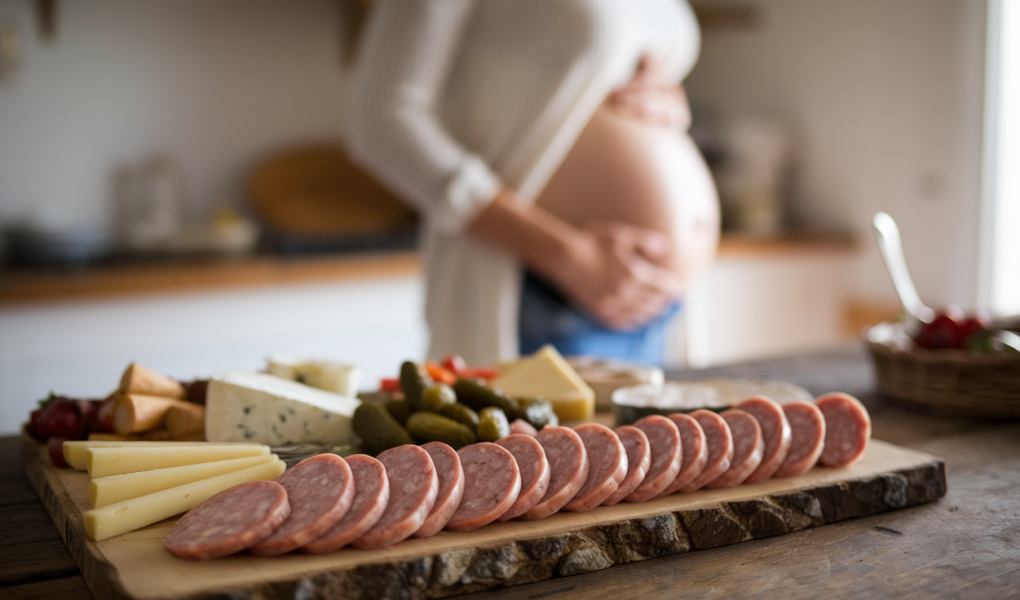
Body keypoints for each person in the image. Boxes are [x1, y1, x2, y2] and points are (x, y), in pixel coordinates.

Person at [346, 0, 719, 367]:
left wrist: (669, 100)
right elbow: (383, 122)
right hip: (540, 293)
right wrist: (568, 258)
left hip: (659, 304)